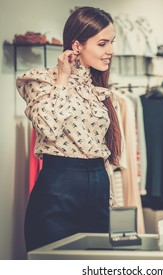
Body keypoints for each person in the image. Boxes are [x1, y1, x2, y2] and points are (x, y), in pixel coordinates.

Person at [16, 6, 122, 251]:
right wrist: (63, 79)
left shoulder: (100, 91)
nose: (111, 51)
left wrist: (110, 201)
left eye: (112, 43)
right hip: (59, 191)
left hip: (98, 189)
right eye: (103, 43)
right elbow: (48, 128)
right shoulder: (41, 81)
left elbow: (101, 153)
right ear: (77, 46)